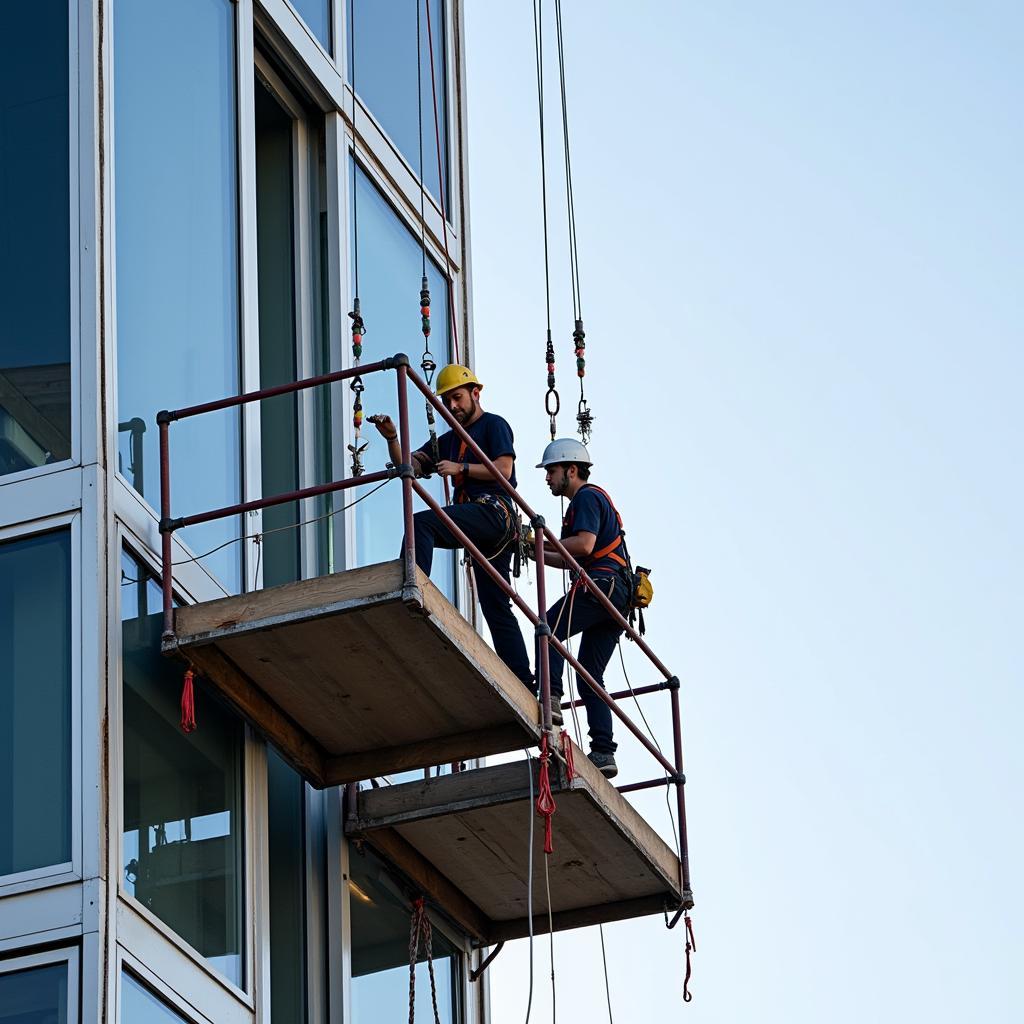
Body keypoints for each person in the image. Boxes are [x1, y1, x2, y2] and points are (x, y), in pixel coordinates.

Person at [368, 364, 532, 688]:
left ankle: (414, 586)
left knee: (421, 524)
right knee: (494, 604)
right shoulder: (449, 440)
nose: (453, 406)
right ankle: (527, 684)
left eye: (457, 398)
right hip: (484, 530)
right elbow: (410, 465)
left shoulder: (493, 425)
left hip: (494, 513)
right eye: (447, 401)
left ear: (475, 393)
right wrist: (392, 438)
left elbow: (504, 468)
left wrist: (461, 467)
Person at [532, 438, 631, 778]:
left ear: (571, 470)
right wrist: (535, 551)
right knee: (589, 671)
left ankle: (551, 696)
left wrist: (536, 540)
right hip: (615, 596)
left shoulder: (586, 497)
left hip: (601, 586)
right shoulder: (591, 501)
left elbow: (584, 545)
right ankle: (604, 752)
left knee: (549, 627)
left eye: (552, 471)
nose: (547, 479)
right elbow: (570, 555)